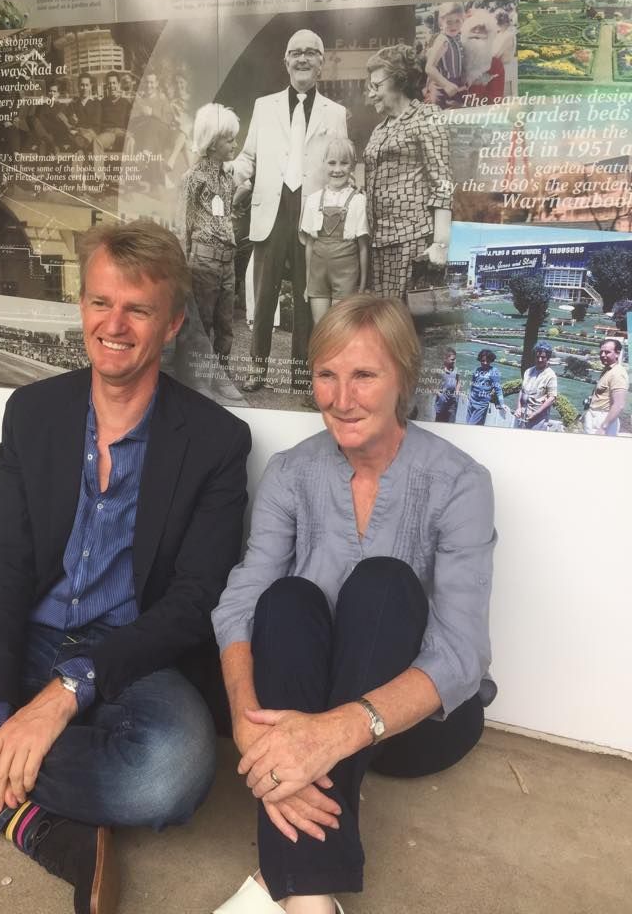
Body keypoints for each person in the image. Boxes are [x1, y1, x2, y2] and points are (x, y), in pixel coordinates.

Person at [0, 220, 251, 914]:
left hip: (130, 664)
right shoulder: (34, 414)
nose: (114, 324)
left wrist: (67, 693)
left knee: (171, 773)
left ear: (173, 324)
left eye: (138, 308)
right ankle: (32, 821)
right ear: (82, 309)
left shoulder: (216, 441)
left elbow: (193, 601)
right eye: (101, 302)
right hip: (30, 637)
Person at [211, 294, 496, 914]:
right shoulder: (291, 473)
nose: (342, 399)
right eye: (326, 375)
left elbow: (461, 652)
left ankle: (277, 881)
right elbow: (240, 602)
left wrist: (332, 734)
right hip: (304, 692)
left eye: (364, 375)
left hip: (412, 724)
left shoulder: (459, 483)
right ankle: (310, 898)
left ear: (404, 379)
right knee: (286, 598)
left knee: (385, 584)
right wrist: (242, 717)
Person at [233, 29, 348, 394]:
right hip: (271, 209)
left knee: (307, 297)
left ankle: (303, 375)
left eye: (310, 53)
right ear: (285, 61)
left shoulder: (337, 113)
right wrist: (238, 175)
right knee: (264, 296)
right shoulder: (263, 107)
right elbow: (248, 156)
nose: (302, 59)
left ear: (321, 62)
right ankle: (257, 368)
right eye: (295, 52)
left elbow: (340, 162)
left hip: (313, 216)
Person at [363, 45, 453, 300]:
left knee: (408, 325)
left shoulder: (427, 116)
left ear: (400, 81)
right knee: (386, 325)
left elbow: (443, 183)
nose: (371, 94)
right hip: (380, 243)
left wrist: (440, 244)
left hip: (412, 241)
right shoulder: (380, 128)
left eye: (376, 86)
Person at [175, 103, 244, 401]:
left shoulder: (228, 178)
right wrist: (183, 264)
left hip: (227, 262)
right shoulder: (192, 179)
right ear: (213, 142)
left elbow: (224, 214)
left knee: (225, 324)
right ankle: (199, 379)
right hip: (202, 262)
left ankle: (222, 376)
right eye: (229, 140)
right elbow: (183, 224)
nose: (235, 145)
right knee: (201, 324)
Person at [299, 137, 369, 326]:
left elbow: (363, 248)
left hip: (346, 272)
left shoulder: (358, 200)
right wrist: (308, 283)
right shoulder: (313, 200)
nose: (337, 169)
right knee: (320, 326)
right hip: (318, 274)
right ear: (323, 164)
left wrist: (361, 287)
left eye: (344, 163)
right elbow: (310, 246)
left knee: (341, 326)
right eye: (332, 163)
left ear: (352, 166)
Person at [582, 338, 629, 436]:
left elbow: (619, 405)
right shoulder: (608, 370)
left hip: (603, 419)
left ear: (617, 354)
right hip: (594, 416)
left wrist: (604, 427)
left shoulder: (618, 373)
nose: (603, 355)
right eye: (601, 352)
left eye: (607, 352)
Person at [424, 3, 466, 108]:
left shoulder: (456, 38)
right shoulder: (443, 41)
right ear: (441, 24)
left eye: (457, 21)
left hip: (455, 85)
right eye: (449, 22)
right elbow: (429, 68)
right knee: (444, 118)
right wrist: (446, 84)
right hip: (443, 90)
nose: (454, 25)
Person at [460, 10, 505, 103]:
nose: (477, 31)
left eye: (482, 28)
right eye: (473, 27)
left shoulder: (496, 65)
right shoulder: (455, 58)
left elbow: (495, 99)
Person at [514, 341, 557, 430]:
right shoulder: (528, 371)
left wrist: (535, 413)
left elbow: (552, 398)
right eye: (537, 357)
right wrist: (518, 408)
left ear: (548, 358)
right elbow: (522, 390)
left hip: (538, 419)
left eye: (543, 357)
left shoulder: (550, 375)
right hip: (522, 415)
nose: (540, 359)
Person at [466, 348, 505, 425]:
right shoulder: (477, 370)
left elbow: (498, 389)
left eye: (487, 361)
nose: (485, 363)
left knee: (471, 425)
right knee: (467, 423)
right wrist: (469, 394)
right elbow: (473, 384)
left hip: (481, 404)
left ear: (491, 361)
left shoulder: (494, 371)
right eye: (483, 361)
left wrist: (502, 403)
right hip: (472, 401)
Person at [434, 346, 460, 422]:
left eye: (455, 359)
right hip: (442, 401)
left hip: (452, 401)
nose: (454, 361)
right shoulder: (439, 370)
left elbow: (458, 381)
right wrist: (439, 394)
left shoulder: (456, 369)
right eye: (452, 359)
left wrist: (457, 392)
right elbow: (431, 385)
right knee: (439, 421)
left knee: (451, 421)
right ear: (445, 359)